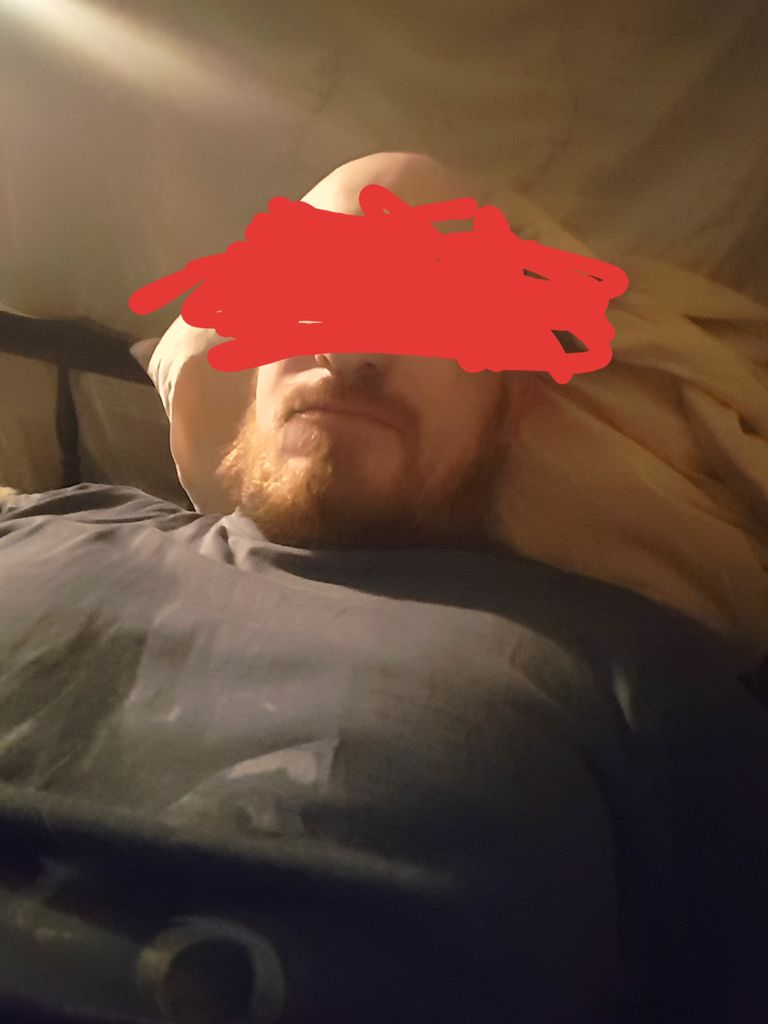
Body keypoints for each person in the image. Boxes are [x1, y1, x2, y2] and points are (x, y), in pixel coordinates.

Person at [1, 154, 768, 1024]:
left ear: (512, 400)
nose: (352, 346)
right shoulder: (47, 524)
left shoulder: (634, 678)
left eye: (431, 301)